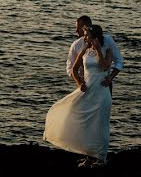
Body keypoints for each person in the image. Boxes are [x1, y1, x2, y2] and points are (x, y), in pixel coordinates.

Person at [44, 25, 114, 167]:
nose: (84, 38)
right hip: (88, 92)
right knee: (86, 124)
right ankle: (88, 156)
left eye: (87, 35)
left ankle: (101, 158)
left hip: (101, 92)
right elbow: (75, 69)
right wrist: (79, 83)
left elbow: (105, 66)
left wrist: (99, 50)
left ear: (95, 37)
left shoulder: (108, 50)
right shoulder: (85, 50)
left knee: (100, 125)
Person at [66, 15, 123, 91]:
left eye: (78, 28)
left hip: (104, 84)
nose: (76, 31)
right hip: (85, 85)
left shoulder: (107, 41)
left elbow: (119, 62)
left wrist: (110, 78)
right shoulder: (76, 45)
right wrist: (79, 82)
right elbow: (70, 67)